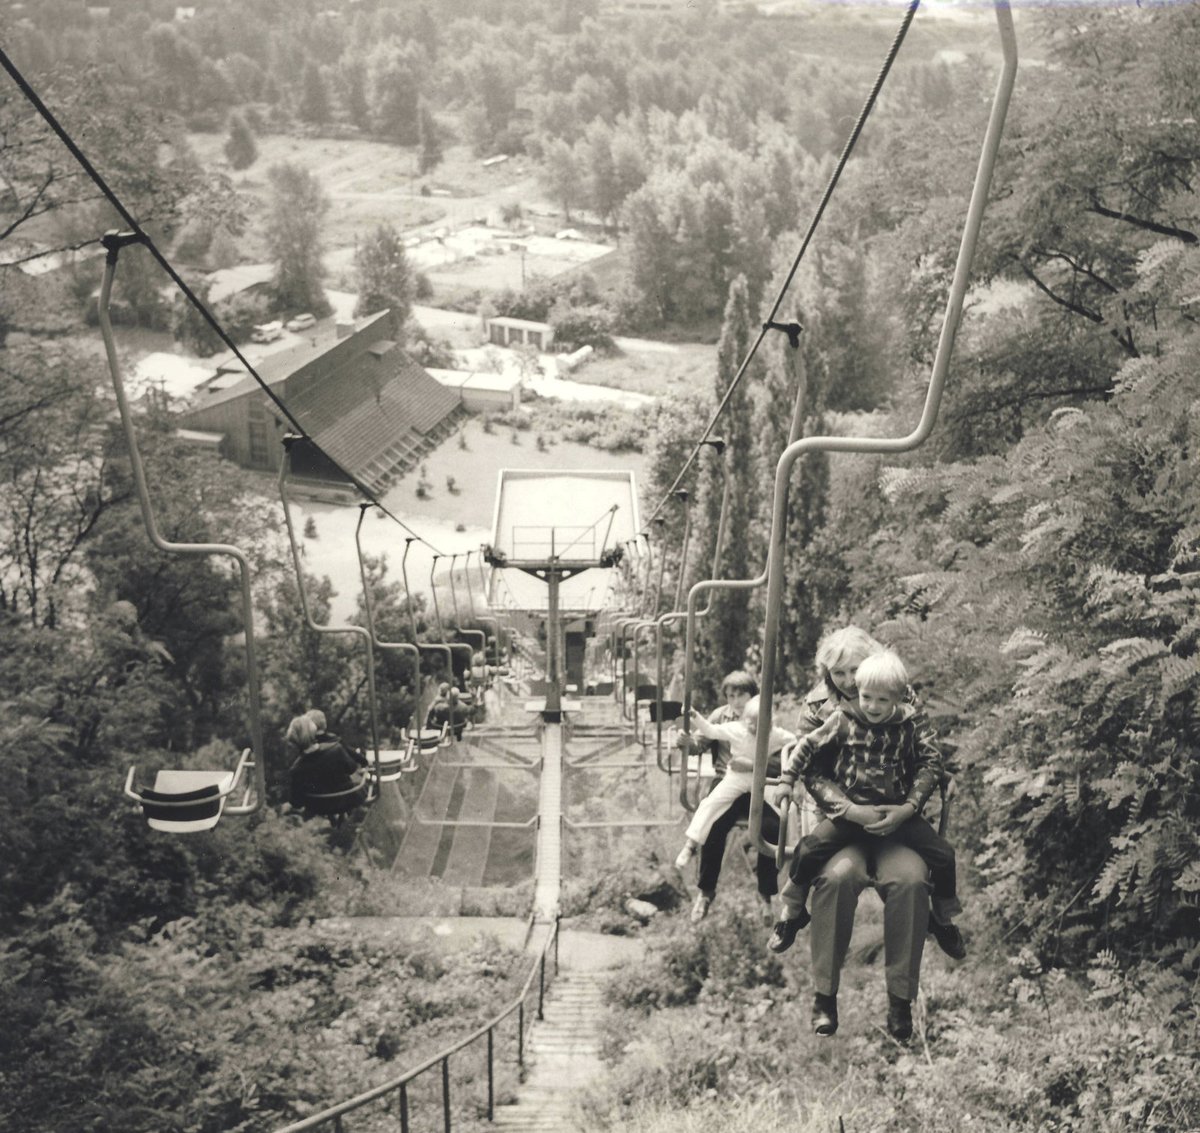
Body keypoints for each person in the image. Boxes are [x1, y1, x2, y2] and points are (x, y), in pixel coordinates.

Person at [770, 649, 963, 1042]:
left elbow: (932, 758)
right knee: (812, 855)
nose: (872, 706)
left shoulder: (909, 722)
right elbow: (807, 752)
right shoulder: (838, 718)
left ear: (898, 696)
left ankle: (931, 940)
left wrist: (909, 807)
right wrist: (790, 781)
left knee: (939, 859)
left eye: (882, 699)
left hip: (897, 817)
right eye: (864, 695)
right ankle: (795, 919)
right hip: (848, 816)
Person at [675, 695, 796, 918]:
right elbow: (710, 732)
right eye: (750, 722)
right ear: (743, 719)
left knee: (775, 825)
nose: (753, 727)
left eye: (759, 724)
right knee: (712, 813)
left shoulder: (776, 735)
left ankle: (766, 895)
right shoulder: (733, 726)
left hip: (759, 783)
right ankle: (693, 850)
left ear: (770, 723)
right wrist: (695, 718)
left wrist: (755, 764)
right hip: (732, 779)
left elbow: (795, 747)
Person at [286, 714, 369, 821]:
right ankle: (345, 816)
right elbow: (351, 768)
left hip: (320, 807)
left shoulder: (296, 769)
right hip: (347, 799)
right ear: (313, 731)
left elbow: (296, 802)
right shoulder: (335, 749)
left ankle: (335, 816)